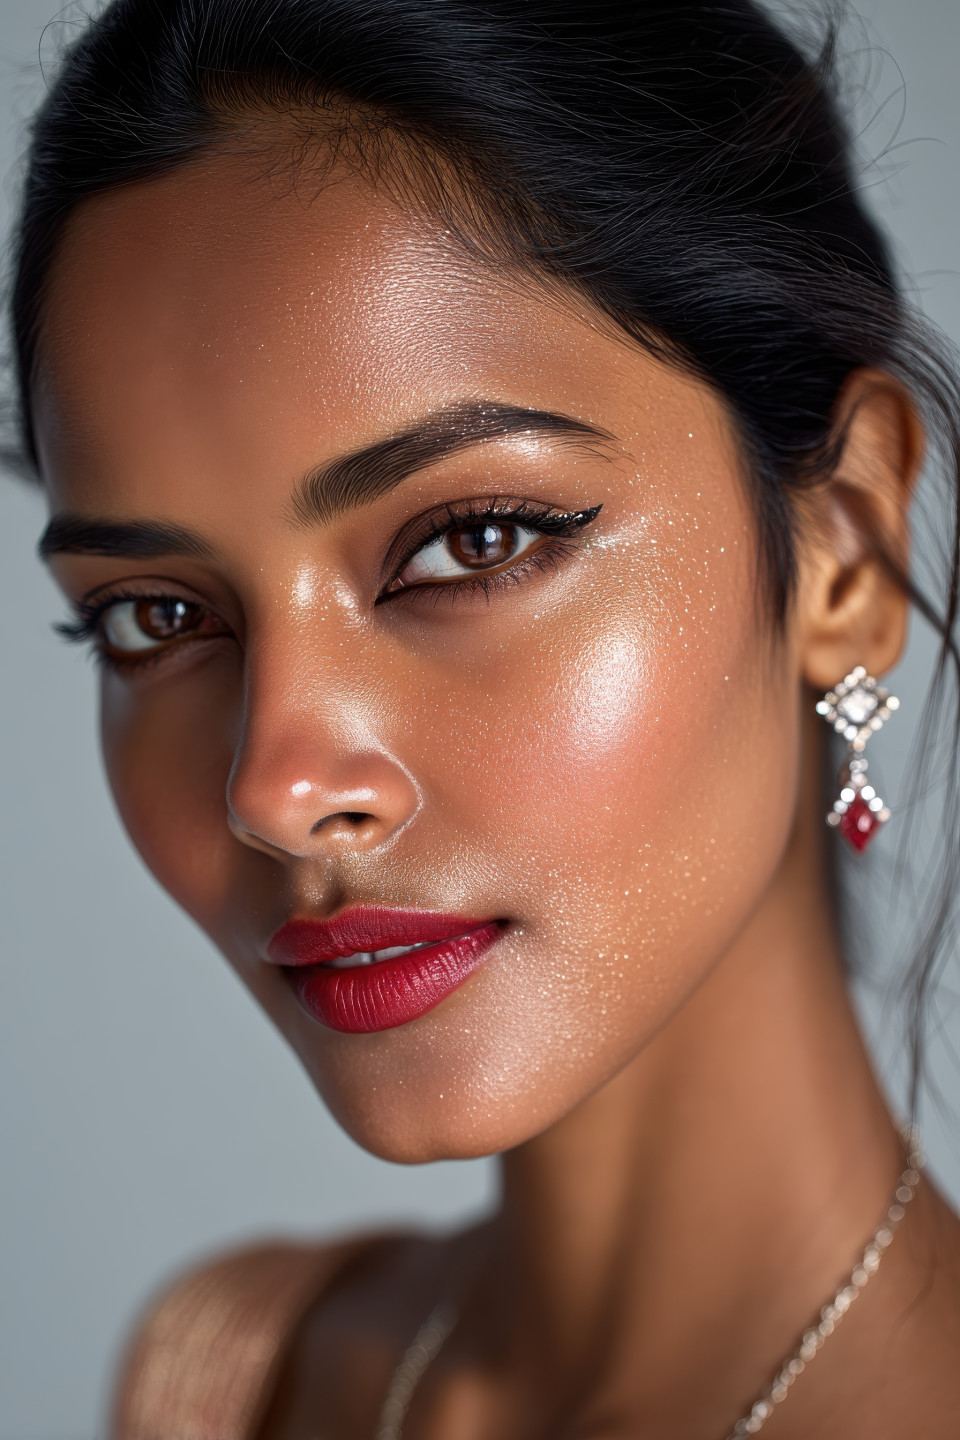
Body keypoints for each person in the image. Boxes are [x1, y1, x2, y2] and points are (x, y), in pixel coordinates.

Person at [10, 0, 960, 1435]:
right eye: (158, 615)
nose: (274, 786)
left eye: (472, 544)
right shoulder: (237, 1380)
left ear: (843, 550)